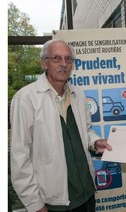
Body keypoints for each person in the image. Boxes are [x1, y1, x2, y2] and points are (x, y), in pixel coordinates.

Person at [10, 39, 112, 212]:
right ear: (44, 63)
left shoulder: (78, 94)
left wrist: (95, 142)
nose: (64, 64)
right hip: (53, 202)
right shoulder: (26, 98)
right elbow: (19, 156)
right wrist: (35, 204)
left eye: (68, 59)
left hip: (87, 194)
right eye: (56, 58)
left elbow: (85, 131)